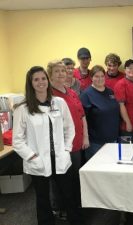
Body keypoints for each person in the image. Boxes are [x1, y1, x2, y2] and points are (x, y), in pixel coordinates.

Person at [12, 66, 81, 225]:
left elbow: (69, 128)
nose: (41, 82)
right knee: (42, 198)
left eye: (43, 78)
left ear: (47, 81)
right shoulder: (23, 108)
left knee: (69, 195)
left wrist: (66, 149)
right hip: (38, 160)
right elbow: (17, 140)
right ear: (31, 83)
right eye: (36, 79)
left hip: (60, 157)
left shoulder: (59, 102)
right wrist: (32, 156)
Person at [47, 60, 89, 208]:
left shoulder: (70, 91)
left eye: (63, 71)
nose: (61, 74)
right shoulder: (48, 95)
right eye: (57, 71)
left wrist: (85, 136)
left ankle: (72, 206)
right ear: (50, 75)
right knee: (59, 177)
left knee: (73, 176)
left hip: (76, 141)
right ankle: (58, 207)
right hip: (60, 145)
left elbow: (82, 115)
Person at [80, 65, 120, 160]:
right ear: (91, 78)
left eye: (102, 76)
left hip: (113, 139)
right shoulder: (86, 95)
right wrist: (85, 137)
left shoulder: (110, 92)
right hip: (96, 142)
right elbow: (82, 118)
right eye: (96, 76)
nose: (100, 79)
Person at [114, 59, 133, 143]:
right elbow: (121, 105)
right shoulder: (121, 84)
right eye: (129, 68)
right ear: (125, 70)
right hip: (127, 126)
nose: (132, 70)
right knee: (127, 151)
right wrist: (127, 122)